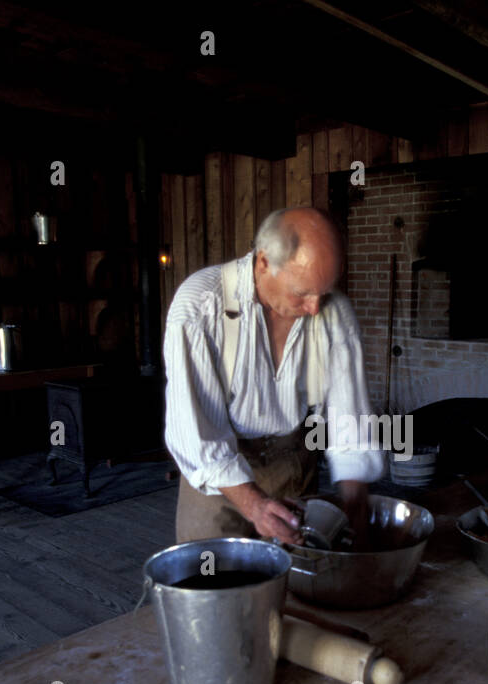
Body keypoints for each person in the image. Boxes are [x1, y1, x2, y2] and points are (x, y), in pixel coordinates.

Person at [163, 207, 384, 545]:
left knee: (298, 581)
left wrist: (355, 505)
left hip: (293, 465)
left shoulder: (332, 312)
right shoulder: (202, 305)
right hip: (218, 476)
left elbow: (348, 420)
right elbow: (196, 433)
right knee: (213, 582)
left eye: (323, 291)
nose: (314, 307)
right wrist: (254, 505)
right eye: (302, 292)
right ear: (263, 262)